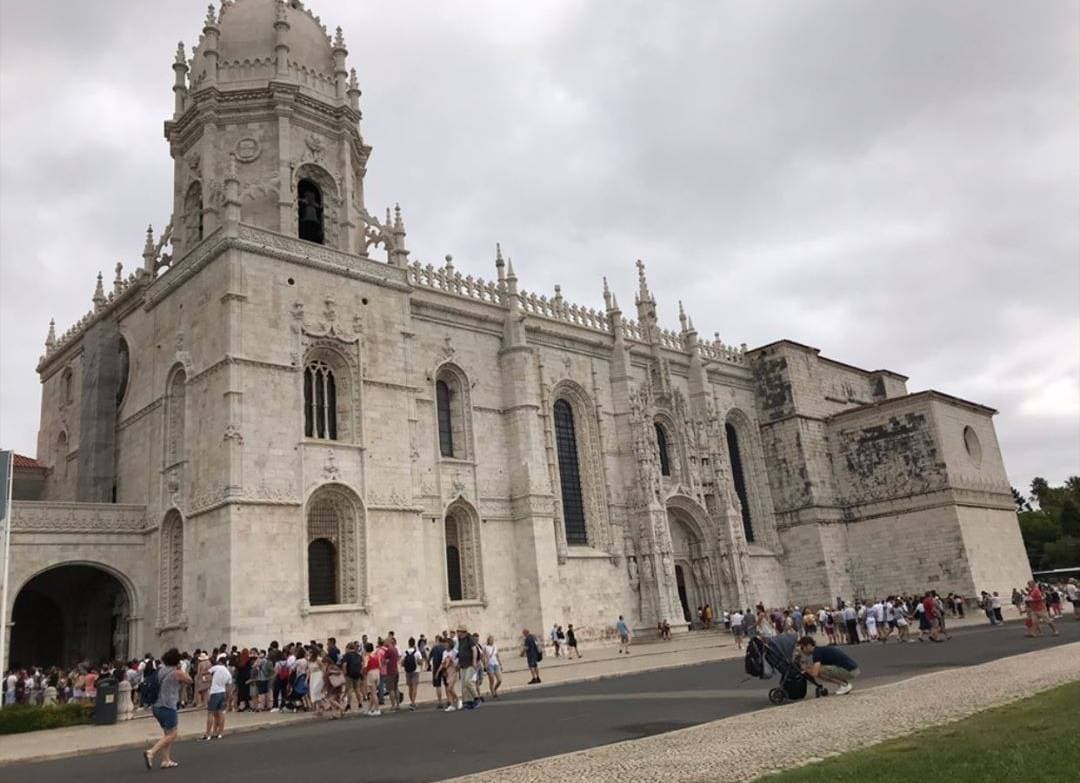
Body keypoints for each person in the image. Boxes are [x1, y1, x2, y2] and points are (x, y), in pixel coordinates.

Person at [145, 648, 193, 770]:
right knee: (173, 734)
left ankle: (166, 760)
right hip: (168, 706)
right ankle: (151, 752)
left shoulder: (161, 670)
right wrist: (181, 668)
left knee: (167, 733)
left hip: (156, 706)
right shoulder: (177, 673)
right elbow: (189, 680)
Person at [203, 654, 232, 740]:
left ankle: (208, 733)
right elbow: (229, 688)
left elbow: (205, 673)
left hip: (214, 692)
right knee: (221, 713)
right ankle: (220, 733)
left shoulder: (216, 667)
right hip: (222, 692)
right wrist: (228, 698)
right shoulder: (228, 673)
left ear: (219, 662)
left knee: (210, 713)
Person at [429, 636, 447, 709]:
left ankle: (440, 702)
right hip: (445, 667)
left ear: (437, 640)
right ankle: (449, 700)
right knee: (446, 684)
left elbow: (429, 657)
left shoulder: (434, 648)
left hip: (436, 667)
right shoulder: (445, 648)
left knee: (438, 686)